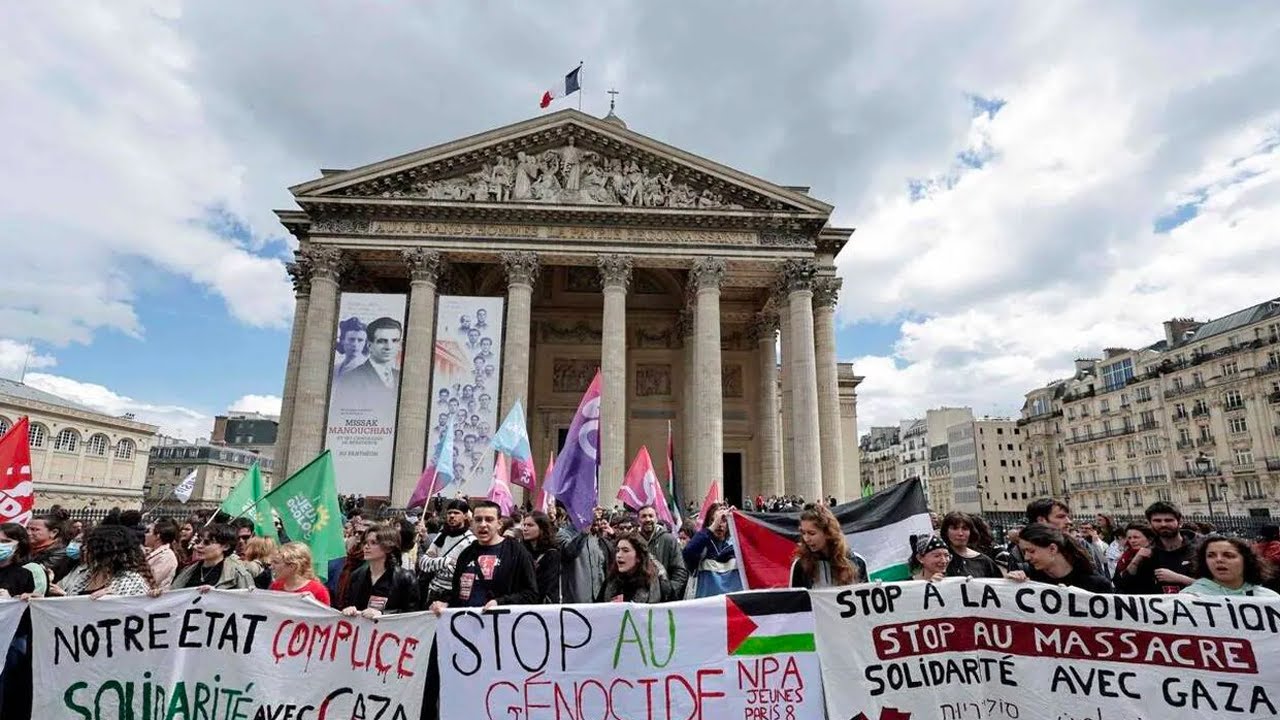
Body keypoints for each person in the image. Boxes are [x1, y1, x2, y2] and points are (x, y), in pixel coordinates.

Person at [430, 500, 538, 614]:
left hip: (500, 625)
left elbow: (531, 594)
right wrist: (446, 604)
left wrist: (500, 603)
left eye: (489, 519)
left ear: (499, 524)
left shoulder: (516, 551)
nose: (482, 524)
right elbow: (457, 592)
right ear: (472, 524)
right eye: (478, 520)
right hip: (467, 625)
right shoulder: (466, 554)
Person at [1116, 501, 1195, 594]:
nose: (1163, 524)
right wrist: (1136, 561)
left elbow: (1214, 586)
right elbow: (1123, 585)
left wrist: (1179, 578)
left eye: (1168, 520)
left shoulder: (1199, 548)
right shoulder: (1148, 553)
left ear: (1180, 522)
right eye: (1157, 521)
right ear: (1150, 523)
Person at [1007, 523, 1113, 592]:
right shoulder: (1026, 576)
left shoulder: (1097, 585)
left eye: (1031, 551)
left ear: (1053, 549)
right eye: (1024, 551)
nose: (1026, 557)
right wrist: (1009, 585)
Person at [56, 526, 155, 597]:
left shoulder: (131, 582)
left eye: (92, 546)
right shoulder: (88, 574)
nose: (84, 548)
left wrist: (111, 601)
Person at [343, 525, 419, 617]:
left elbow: (413, 615)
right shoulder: (356, 575)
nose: (366, 547)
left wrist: (383, 615)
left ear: (388, 547)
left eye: (373, 543)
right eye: (365, 542)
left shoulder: (406, 579)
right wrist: (349, 609)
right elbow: (348, 603)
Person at [789, 505, 866, 588]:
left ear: (828, 533)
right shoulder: (800, 565)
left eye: (812, 533)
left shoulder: (857, 561)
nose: (806, 539)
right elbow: (794, 599)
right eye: (803, 533)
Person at [418, 499, 476, 606]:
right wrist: (446, 561)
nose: (452, 516)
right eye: (449, 513)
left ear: (465, 516)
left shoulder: (471, 541)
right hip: (433, 593)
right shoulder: (441, 536)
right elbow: (423, 563)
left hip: (454, 596)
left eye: (456, 513)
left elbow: (463, 573)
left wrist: (435, 563)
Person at [1181, 535, 1278, 597]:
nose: (1219, 560)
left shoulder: (1269, 598)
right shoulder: (1189, 597)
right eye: (1211, 555)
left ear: (1246, 560)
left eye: (1228, 555)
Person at [682, 503, 743, 598]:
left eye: (723, 520)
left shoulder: (736, 546)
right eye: (713, 520)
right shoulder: (702, 545)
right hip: (707, 607)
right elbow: (688, 553)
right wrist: (713, 526)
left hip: (733, 606)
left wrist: (740, 522)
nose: (719, 524)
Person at [172, 524, 256, 590]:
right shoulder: (188, 570)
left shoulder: (239, 574)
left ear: (226, 546)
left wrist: (216, 595)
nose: (198, 546)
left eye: (207, 543)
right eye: (199, 541)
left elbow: (247, 604)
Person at [1004, 498, 1072, 574]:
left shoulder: (1076, 547)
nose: (1069, 521)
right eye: (1060, 517)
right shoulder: (1018, 555)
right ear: (1041, 521)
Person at [637, 505, 688, 600]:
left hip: (663, 599)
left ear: (656, 518)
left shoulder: (669, 540)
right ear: (638, 520)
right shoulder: (632, 541)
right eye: (644, 516)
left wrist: (670, 590)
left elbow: (679, 570)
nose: (648, 519)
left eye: (651, 516)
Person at [559, 510, 610, 604]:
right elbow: (569, 552)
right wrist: (583, 533)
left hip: (597, 600)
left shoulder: (594, 538)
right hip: (576, 601)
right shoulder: (563, 535)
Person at [598, 535, 663, 603]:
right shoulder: (610, 581)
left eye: (625, 551)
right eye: (617, 550)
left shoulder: (654, 585)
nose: (618, 555)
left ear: (638, 557)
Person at [940, 511, 1002, 578]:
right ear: (946, 531)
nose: (960, 533)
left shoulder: (984, 562)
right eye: (955, 528)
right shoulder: (937, 559)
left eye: (965, 529)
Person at [521, 511, 563, 603]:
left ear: (542, 528)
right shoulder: (521, 551)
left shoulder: (552, 554)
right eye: (524, 525)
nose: (525, 528)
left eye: (530, 525)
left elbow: (548, 586)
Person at [27, 514, 75, 582]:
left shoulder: (60, 553)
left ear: (53, 532)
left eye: (35, 530)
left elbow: (34, 572)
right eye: (27, 528)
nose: (28, 533)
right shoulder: (27, 549)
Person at [1111, 523, 1158, 592]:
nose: (1132, 541)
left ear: (1150, 539)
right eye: (1129, 538)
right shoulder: (1126, 556)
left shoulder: (1157, 555)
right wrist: (1136, 560)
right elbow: (1118, 582)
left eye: (1136, 537)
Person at [144, 519, 181, 591]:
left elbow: (152, 580)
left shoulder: (166, 557)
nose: (145, 535)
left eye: (148, 532)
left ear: (157, 536)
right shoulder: (152, 552)